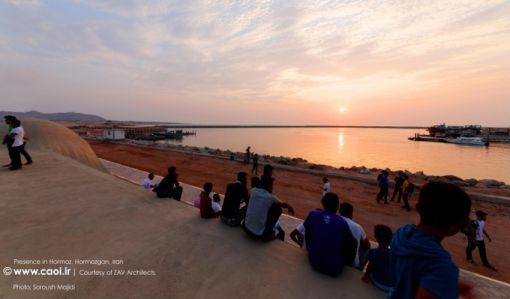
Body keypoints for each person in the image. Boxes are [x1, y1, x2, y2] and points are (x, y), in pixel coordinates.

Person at [389, 182, 473, 299]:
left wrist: (450, 285)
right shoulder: (442, 267)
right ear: (460, 225)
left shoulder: (402, 235)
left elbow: (410, 273)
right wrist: (446, 281)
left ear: (418, 208)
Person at [303, 192, 357, 276]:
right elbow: (352, 244)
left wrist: (309, 248)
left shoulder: (313, 214)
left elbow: (307, 232)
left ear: (323, 203)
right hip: (335, 269)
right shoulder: (342, 222)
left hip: (314, 261)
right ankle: (349, 265)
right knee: (353, 242)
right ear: (337, 206)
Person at [244, 176, 294, 241]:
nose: (272, 187)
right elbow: (283, 204)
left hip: (246, 228)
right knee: (278, 209)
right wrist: (290, 207)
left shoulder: (253, 190)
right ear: (268, 186)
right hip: (257, 234)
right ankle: (268, 234)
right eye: (271, 185)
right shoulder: (270, 197)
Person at [362, 225, 393, 292]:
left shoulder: (374, 252)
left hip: (378, 283)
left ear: (376, 237)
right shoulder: (394, 253)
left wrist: (365, 278)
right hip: (391, 286)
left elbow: (369, 268)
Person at [339, 203, 371, 269]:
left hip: (335, 257)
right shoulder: (357, 227)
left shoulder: (335, 221)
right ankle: (360, 267)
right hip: (351, 263)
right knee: (367, 248)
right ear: (351, 213)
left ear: (339, 211)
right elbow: (367, 245)